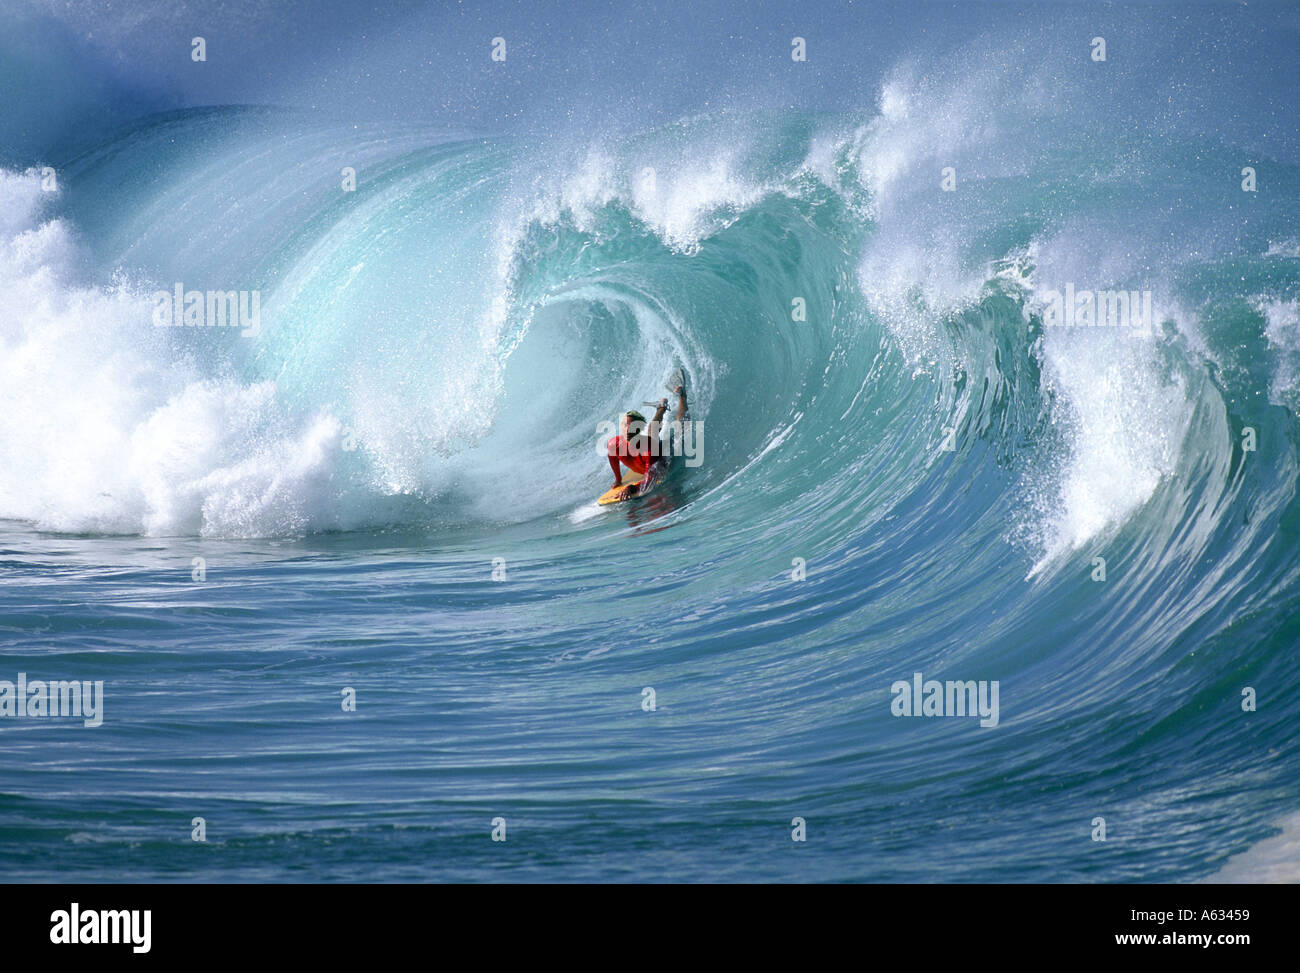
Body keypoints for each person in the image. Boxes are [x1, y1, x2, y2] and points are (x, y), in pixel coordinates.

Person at [607, 384, 688, 497]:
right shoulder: (614, 445)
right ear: (620, 426)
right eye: (625, 425)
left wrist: (631, 488)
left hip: (662, 456)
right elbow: (612, 458)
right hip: (647, 450)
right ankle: (661, 407)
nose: (628, 429)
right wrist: (618, 479)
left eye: (632, 426)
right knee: (652, 432)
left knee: (681, 427)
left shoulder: (648, 450)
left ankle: (682, 396)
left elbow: (650, 481)